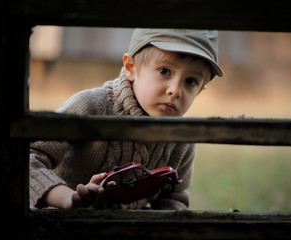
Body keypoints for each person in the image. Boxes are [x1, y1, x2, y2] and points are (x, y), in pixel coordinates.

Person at [30, 28, 223, 210]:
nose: (175, 91)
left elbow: (173, 196)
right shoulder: (90, 106)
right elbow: (30, 158)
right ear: (131, 67)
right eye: (164, 71)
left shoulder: (181, 138)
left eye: (191, 81)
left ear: (199, 91)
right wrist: (67, 197)